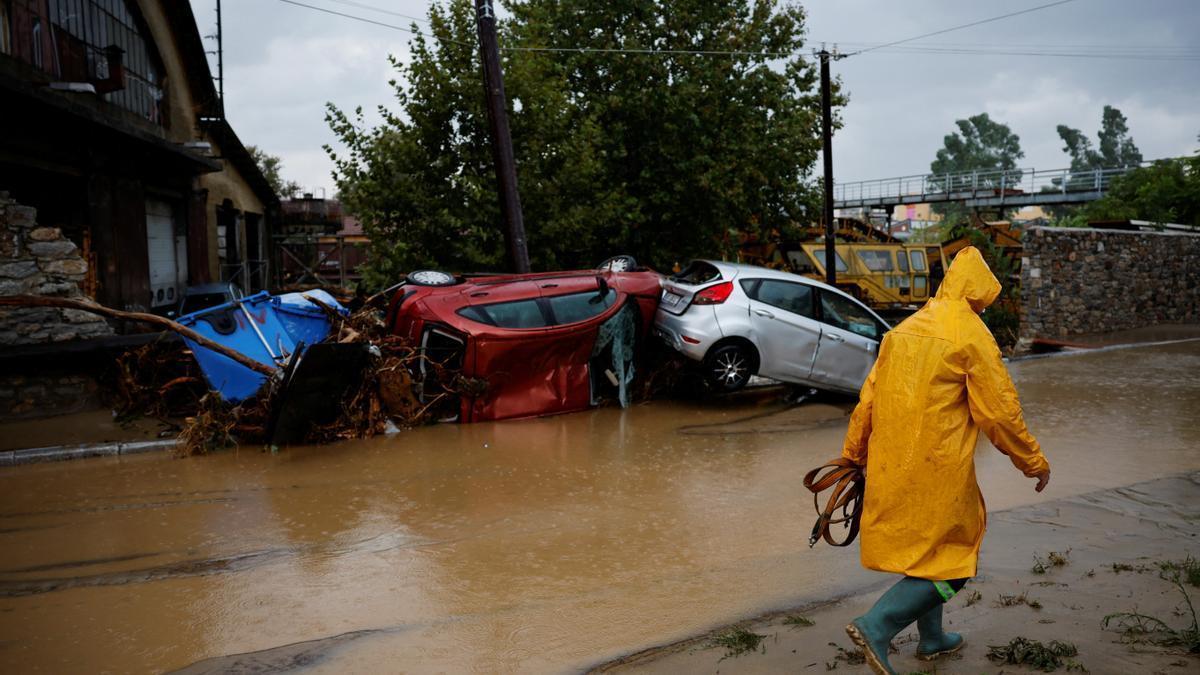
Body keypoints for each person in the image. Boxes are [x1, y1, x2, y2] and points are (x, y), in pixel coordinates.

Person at [840, 246, 1051, 675]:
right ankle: (877, 624)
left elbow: (868, 402)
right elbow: (999, 413)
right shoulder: (971, 335)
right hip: (939, 471)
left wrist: (852, 456)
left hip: (889, 466)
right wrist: (1033, 461)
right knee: (954, 563)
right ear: (980, 295)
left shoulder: (903, 330)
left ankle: (932, 639)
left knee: (925, 556)